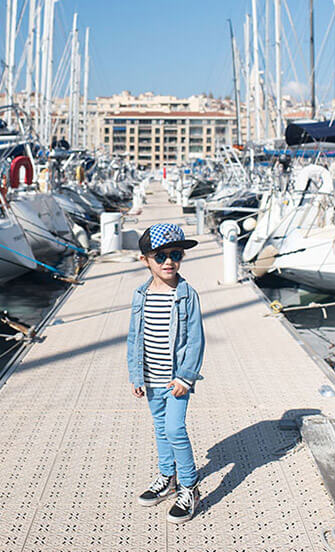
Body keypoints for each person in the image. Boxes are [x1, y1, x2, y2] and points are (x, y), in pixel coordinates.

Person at [126, 222, 205, 523]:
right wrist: (136, 375)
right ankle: (167, 477)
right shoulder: (140, 295)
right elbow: (135, 337)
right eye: (160, 256)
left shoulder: (186, 295)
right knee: (160, 429)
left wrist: (186, 377)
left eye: (176, 254)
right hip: (150, 377)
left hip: (176, 380)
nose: (169, 261)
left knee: (174, 429)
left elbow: (196, 339)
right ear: (145, 260)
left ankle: (190, 486)